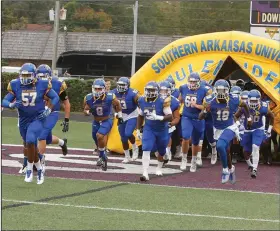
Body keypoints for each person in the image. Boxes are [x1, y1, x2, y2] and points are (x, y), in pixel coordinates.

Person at [2, 63, 59, 184]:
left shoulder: (42, 84)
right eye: (23, 75)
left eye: (28, 75)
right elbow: (5, 100)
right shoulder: (15, 84)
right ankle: (39, 169)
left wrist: (48, 109)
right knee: (30, 146)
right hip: (23, 120)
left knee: (30, 140)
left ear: (34, 75)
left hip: (37, 118)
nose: (25, 78)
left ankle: (28, 170)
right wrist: (11, 105)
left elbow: (55, 97)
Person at [199, 79, 251, 184]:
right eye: (219, 90)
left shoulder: (234, 99)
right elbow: (200, 117)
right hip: (218, 129)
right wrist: (205, 110)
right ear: (215, 91)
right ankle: (231, 169)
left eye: (223, 91)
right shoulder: (209, 101)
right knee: (226, 151)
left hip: (230, 127)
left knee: (219, 146)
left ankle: (225, 170)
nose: (221, 93)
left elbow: (245, 105)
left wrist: (249, 118)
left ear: (228, 91)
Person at [36, 64, 70, 173]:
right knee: (48, 138)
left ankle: (41, 160)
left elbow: (66, 103)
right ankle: (62, 143)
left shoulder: (57, 84)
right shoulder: (33, 83)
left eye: (44, 76)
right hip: (40, 113)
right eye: (39, 76)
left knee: (42, 136)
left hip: (52, 113)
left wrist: (66, 120)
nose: (41, 79)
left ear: (49, 76)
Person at [84, 78, 123, 171]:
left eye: (99, 89)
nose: (97, 91)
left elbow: (118, 105)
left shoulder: (110, 96)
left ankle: (102, 156)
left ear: (104, 89)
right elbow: (85, 109)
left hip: (107, 120)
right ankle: (103, 156)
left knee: (100, 135)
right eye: (96, 88)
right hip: (96, 121)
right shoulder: (88, 98)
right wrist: (88, 112)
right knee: (96, 140)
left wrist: (120, 116)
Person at [136, 81, 172, 181]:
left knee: (161, 151)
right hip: (149, 128)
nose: (150, 92)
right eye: (148, 90)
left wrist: (158, 117)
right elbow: (140, 115)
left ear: (157, 91)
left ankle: (159, 167)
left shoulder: (163, 101)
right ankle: (145, 173)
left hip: (162, 129)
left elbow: (170, 116)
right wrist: (138, 130)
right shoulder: (142, 100)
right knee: (146, 148)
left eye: (152, 90)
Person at [235, 90, 274, 178]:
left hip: (258, 129)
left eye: (255, 101)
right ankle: (250, 164)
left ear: (259, 100)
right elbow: (236, 116)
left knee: (255, 147)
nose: (252, 103)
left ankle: (254, 169)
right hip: (247, 130)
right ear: (248, 100)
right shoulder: (244, 106)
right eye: (251, 101)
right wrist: (237, 125)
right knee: (246, 152)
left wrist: (269, 129)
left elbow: (272, 116)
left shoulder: (263, 106)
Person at [179, 72, 212, 172]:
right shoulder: (183, 88)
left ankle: (193, 161)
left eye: (194, 82)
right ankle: (184, 159)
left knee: (196, 142)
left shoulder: (205, 90)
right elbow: (180, 100)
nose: (192, 84)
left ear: (199, 82)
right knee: (185, 136)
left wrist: (197, 106)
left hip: (198, 118)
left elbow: (207, 107)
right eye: (191, 81)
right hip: (187, 117)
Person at [111, 77, 140, 163]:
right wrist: (115, 113)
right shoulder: (113, 93)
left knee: (128, 133)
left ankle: (135, 147)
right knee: (123, 138)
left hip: (132, 114)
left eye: (123, 85)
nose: (121, 87)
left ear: (128, 85)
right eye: (119, 85)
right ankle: (127, 156)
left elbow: (140, 103)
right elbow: (109, 104)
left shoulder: (133, 93)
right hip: (121, 115)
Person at [158, 81, 180, 162]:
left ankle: (168, 151)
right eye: (161, 90)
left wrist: (172, 123)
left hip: (168, 123)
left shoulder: (174, 101)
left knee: (167, 138)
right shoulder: (155, 98)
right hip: (156, 123)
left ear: (170, 91)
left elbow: (177, 117)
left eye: (165, 91)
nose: (163, 93)